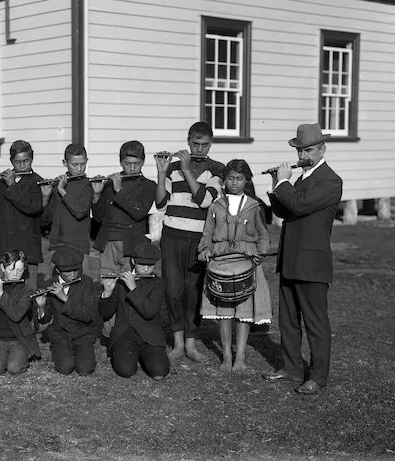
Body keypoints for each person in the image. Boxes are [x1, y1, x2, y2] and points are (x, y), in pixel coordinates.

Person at [262, 123, 342, 395]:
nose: (303, 155)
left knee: (315, 322)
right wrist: (276, 185)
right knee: (288, 320)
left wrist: (284, 182)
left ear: (322, 149)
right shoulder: (302, 179)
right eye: (300, 150)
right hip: (291, 260)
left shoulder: (331, 181)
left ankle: (318, 377)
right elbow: (285, 211)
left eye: (308, 150)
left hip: (312, 264)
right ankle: (292, 367)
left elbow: (299, 204)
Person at [155, 122, 224, 362]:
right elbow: (161, 203)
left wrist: (185, 169)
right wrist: (162, 171)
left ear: (211, 143)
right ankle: (177, 344)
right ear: (188, 141)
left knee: (194, 290)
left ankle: (191, 344)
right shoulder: (173, 167)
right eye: (196, 144)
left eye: (205, 144)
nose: (200, 148)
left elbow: (204, 200)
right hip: (172, 236)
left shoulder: (217, 169)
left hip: (198, 238)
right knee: (173, 289)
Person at [198, 159, 272, 373]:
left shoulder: (254, 206)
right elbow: (207, 234)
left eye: (239, 179)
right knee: (224, 312)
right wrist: (205, 250)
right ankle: (227, 357)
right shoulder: (215, 206)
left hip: (246, 262)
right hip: (220, 262)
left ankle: (240, 357)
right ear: (224, 180)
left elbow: (263, 235)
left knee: (244, 312)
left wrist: (259, 254)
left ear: (246, 180)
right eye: (231, 178)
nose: (235, 183)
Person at [91, 140, 156, 338]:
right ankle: (109, 328)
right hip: (108, 241)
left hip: (132, 244)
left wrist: (120, 190)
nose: (132, 167)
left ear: (143, 162)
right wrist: (96, 194)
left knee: (128, 286)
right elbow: (100, 217)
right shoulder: (110, 183)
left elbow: (139, 212)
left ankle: (127, 326)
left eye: (136, 164)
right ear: (121, 162)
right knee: (108, 285)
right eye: (128, 163)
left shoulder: (148, 186)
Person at [98, 242, 170, 380]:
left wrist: (133, 288)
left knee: (159, 372)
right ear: (133, 261)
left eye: (150, 265)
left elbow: (149, 311)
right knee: (125, 371)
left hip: (149, 335)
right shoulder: (121, 282)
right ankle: (131, 355)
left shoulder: (158, 284)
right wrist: (107, 293)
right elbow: (105, 313)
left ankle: (145, 355)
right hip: (125, 333)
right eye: (142, 264)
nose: (146, 269)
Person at [0, 140, 43, 292]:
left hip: (27, 248)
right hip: (3, 246)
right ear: (11, 161)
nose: (22, 166)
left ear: (32, 159)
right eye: (18, 162)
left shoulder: (37, 181)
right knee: (1, 293)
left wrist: (13, 186)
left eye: (26, 161)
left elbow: (33, 207)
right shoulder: (2, 182)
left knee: (28, 294)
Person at [0, 249, 41, 375]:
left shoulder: (26, 291)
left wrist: (1, 293)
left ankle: (24, 355)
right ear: (2, 267)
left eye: (20, 270)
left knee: (14, 369)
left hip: (18, 338)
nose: (15, 274)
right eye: (11, 270)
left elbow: (16, 315)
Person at [35, 247, 97, 376]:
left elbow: (88, 315)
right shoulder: (49, 285)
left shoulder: (87, 283)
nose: (73, 274)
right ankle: (61, 350)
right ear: (58, 270)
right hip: (60, 334)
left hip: (82, 333)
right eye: (68, 272)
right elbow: (45, 319)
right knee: (65, 368)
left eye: (76, 270)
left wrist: (64, 298)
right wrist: (41, 306)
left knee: (85, 369)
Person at [40, 143, 93, 274]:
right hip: (58, 244)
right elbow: (44, 221)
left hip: (79, 245)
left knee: (80, 287)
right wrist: (45, 198)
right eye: (74, 165)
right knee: (56, 286)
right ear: (65, 163)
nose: (79, 169)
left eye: (83, 164)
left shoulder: (87, 185)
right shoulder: (56, 185)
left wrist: (63, 191)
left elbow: (80, 212)